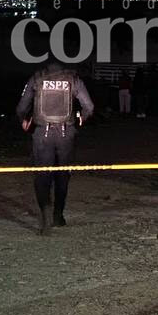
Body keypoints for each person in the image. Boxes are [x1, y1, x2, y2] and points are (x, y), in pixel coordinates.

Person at [16, 60, 95, 235]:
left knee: (42, 175)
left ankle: (45, 216)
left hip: (42, 133)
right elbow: (89, 106)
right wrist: (82, 117)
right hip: (66, 133)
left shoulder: (37, 78)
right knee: (63, 175)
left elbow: (22, 106)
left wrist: (24, 119)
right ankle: (58, 215)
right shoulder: (73, 79)